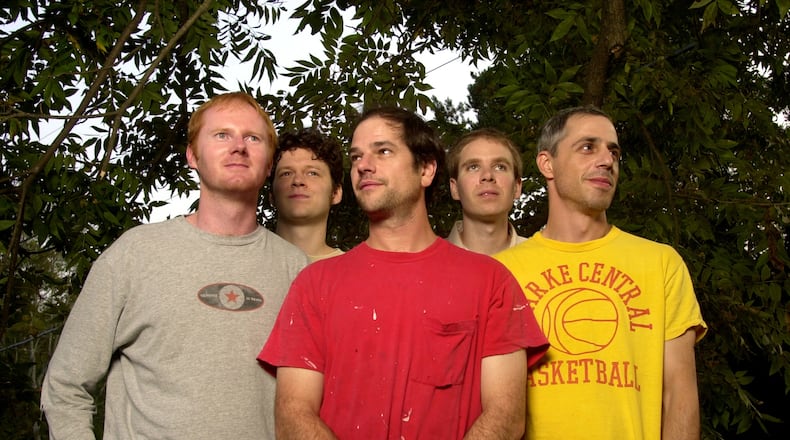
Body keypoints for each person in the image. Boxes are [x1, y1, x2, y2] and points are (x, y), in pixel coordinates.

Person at [259, 107, 549, 439]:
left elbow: (506, 416)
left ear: (426, 169)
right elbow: (294, 414)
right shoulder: (314, 283)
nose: (363, 165)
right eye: (356, 157)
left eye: (382, 151)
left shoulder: (491, 281)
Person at [40, 92, 309, 440]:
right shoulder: (134, 255)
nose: (239, 146)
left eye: (253, 138)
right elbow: (65, 386)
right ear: (192, 156)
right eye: (222, 135)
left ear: (269, 163)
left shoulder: (298, 271)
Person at [494, 106, 707, 440]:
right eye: (587, 147)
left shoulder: (661, 263)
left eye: (613, 151)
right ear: (547, 164)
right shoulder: (503, 271)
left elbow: (679, 396)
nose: (607, 160)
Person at [446, 128, 527, 255]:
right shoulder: (426, 265)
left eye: (500, 167)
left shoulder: (544, 262)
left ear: (517, 187)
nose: (488, 175)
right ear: (454, 188)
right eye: (473, 167)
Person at [270, 128, 344, 261]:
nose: (298, 181)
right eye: (286, 173)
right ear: (272, 196)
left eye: (312, 173)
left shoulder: (358, 273)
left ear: (336, 193)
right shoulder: (243, 262)